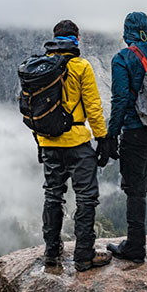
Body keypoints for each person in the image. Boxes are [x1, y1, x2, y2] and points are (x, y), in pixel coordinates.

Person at [37, 19, 112, 271]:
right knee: (86, 199)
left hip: (48, 142)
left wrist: (40, 142)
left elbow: (33, 111)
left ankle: (51, 253)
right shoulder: (81, 66)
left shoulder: (39, 68)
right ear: (76, 39)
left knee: (52, 196)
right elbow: (93, 107)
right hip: (78, 143)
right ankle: (83, 256)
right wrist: (102, 139)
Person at [105, 12, 147, 264]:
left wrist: (111, 134)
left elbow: (121, 99)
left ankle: (135, 247)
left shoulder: (123, 59)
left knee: (135, 188)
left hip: (135, 131)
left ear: (128, 31)